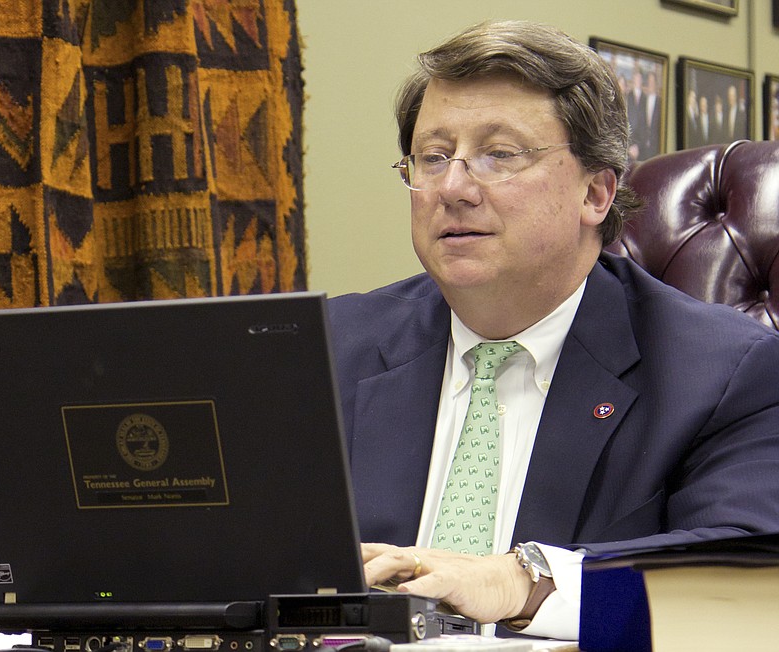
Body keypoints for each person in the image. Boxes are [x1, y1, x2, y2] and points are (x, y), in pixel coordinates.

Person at [327, 20, 779, 640]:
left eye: (499, 155)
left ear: (595, 192)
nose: (453, 188)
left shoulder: (726, 372)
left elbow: (747, 589)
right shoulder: (328, 348)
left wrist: (526, 582)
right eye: (433, 157)